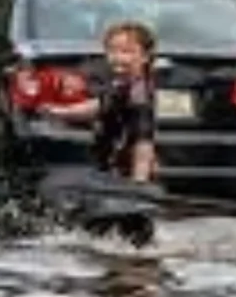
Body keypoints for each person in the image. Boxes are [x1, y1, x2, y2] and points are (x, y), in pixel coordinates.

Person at [40, 21, 159, 246]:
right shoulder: (120, 86)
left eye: (126, 51)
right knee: (102, 234)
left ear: (145, 57)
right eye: (112, 50)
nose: (117, 57)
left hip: (126, 181)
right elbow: (98, 106)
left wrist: (138, 186)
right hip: (108, 173)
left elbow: (144, 143)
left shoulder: (139, 94)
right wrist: (62, 112)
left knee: (129, 242)